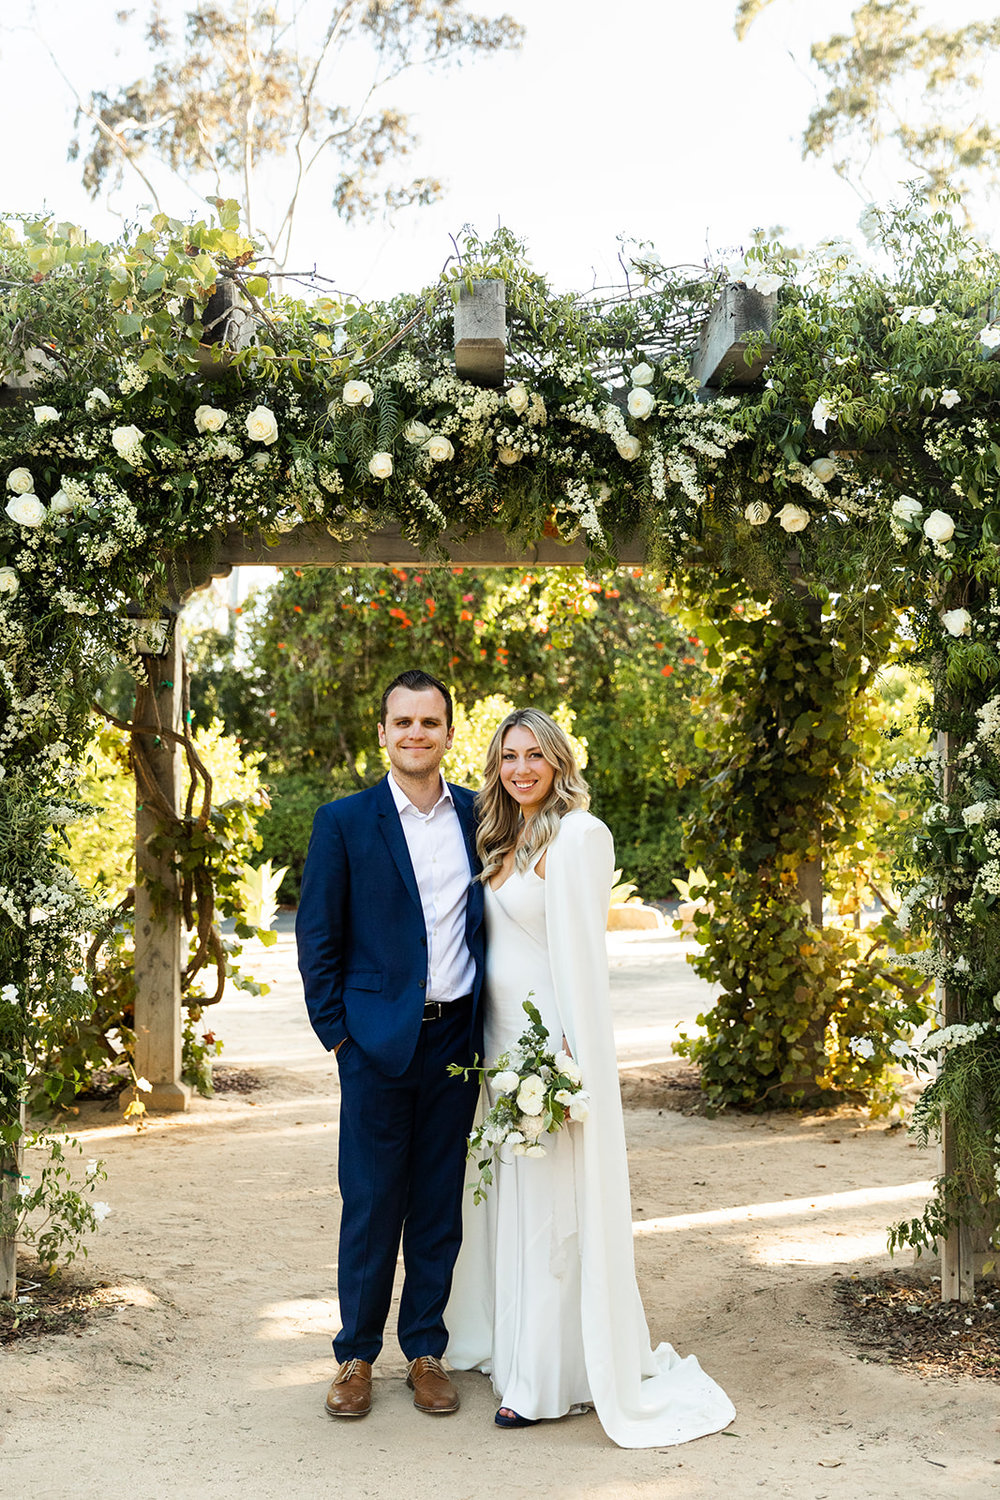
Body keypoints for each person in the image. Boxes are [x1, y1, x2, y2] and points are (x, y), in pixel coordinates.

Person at [445, 708, 735, 1447]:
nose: (520, 769)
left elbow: (582, 965)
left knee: (551, 1211)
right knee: (513, 1205)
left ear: (558, 760)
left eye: (534, 755)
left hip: (548, 1050)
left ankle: (545, 1383)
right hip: (499, 1045)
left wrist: (570, 1065)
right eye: (508, 756)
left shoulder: (579, 835)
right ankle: (517, 1353)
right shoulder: (499, 833)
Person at [296, 669, 484, 1420]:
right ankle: (355, 1357)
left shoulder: (480, 815)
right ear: (383, 732)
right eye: (402, 722)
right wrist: (340, 1038)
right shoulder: (343, 822)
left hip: (458, 1042)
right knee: (371, 1205)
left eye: (429, 722)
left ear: (447, 731)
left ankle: (427, 1351)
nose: (416, 734)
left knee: (438, 1204)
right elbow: (318, 940)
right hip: (374, 1048)